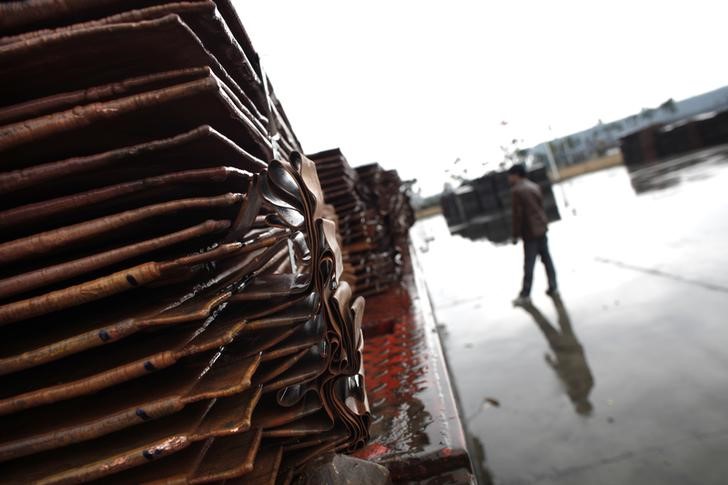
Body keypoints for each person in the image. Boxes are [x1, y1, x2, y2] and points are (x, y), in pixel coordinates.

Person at [507, 164, 558, 306]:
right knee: (547, 260)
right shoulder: (534, 186)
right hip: (542, 228)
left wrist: (515, 235)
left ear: (516, 175)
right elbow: (540, 208)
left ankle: (525, 294)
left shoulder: (517, 190)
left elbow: (518, 216)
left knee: (528, 265)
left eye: (510, 175)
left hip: (530, 232)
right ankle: (553, 286)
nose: (509, 178)